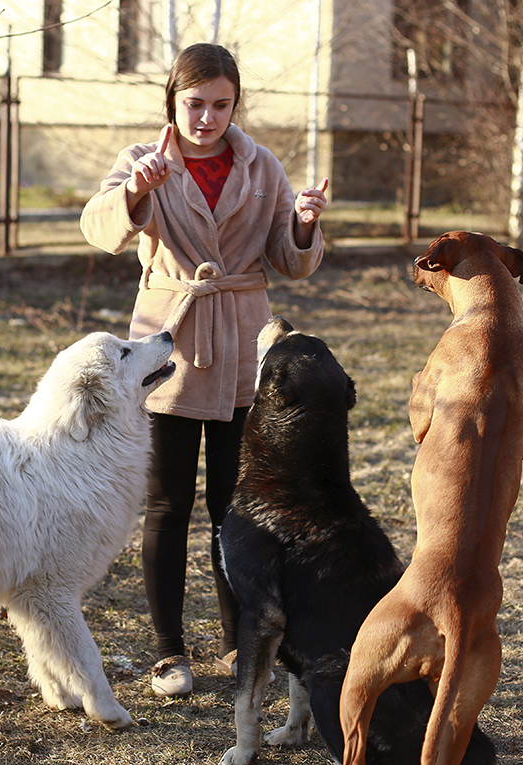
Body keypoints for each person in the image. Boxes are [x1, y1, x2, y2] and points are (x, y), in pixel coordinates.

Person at [80, 43, 329, 698]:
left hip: (244, 341)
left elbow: (287, 257)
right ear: (172, 99)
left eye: (220, 105)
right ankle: (168, 654)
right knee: (166, 502)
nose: (206, 118)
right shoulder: (145, 162)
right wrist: (136, 190)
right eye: (194, 103)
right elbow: (97, 228)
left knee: (234, 504)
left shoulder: (261, 165)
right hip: (165, 342)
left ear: (233, 104)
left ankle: (236, 641)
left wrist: (302, 226)